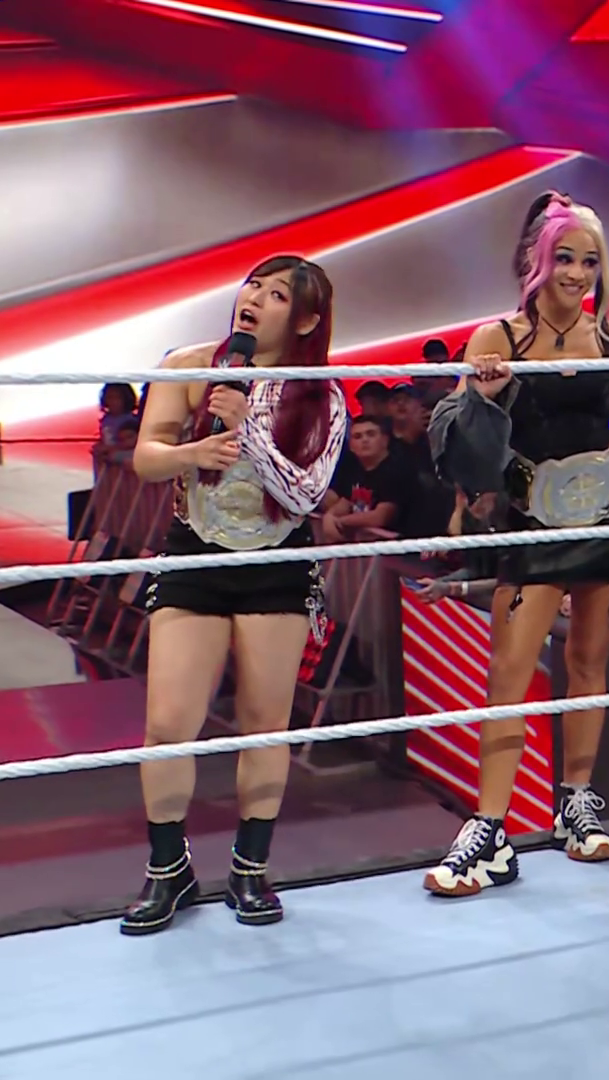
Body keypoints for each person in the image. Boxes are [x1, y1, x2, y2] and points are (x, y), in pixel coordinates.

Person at [426, 191, 609, 897]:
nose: (575, 273)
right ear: (539, 260)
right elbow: (463, 444)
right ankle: (489, 828)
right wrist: (483, 396)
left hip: (605, 518)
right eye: (565, 258)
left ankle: (576, 803)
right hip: (534, 524)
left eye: (589, 262)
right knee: (509, 673)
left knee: (589, 663)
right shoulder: (498, 338)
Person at [122, 256, 349, 934]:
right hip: (195, 553)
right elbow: (146, 456)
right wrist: (191, 454)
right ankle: (168, 869)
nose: (254, 298)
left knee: (263, 722)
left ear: (305, 320)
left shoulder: (321, 393)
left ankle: (251, 869)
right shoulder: (191, 366)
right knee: (168, 722)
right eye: (254, 285)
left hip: (275, 564)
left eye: (277, 294)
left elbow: (306, 496)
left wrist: (248, 428)